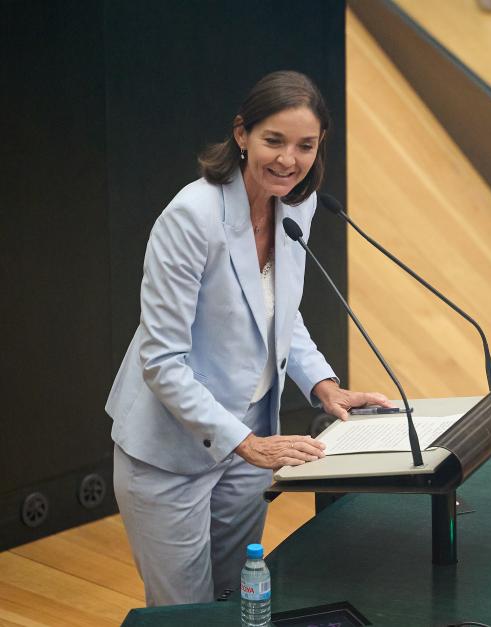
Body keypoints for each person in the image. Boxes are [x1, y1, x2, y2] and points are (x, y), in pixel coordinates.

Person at [106, 70, 390, 607]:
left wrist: (325, 386)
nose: (289, 159)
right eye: (274, 141)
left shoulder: (297, 206)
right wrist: (245, 442)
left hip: (249, 445)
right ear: (242, 135)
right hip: (171, 452)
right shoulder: (193, 216)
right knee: (185, 613)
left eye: (305, 145)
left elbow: (281, 314)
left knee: (239, 599)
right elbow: (162, 360)